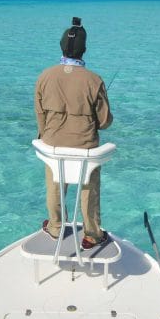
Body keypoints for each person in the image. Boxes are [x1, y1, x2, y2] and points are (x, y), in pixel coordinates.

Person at [34, 16, 113, 249]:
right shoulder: (94, 80)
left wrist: (47, 137)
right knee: (89, 190)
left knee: (55, 186)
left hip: (52, 145)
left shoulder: (44, 76)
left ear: (61, 46)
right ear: (84, 50)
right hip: (85, 147)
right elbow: (105, 121)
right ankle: (92, 234)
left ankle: (56, 227)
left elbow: (40, 116)